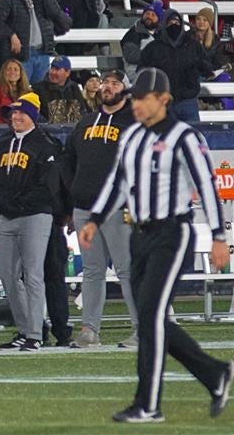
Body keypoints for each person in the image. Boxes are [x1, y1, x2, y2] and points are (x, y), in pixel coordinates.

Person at [82, 67, 234, 424]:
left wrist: (218, 237)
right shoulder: (132, 136)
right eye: (134, 97)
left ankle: (148, 405)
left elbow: (207, 186)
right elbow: (118, 183)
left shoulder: (184, 136)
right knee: (153, 318)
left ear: (163, 100)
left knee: (150, 315)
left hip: (172, 233)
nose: (136, 104)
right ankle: (215, 374)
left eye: (143, 98)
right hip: (140, 234)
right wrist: (94, 219)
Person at [0, 92, 62, 352]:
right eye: (12, 113)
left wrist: (18, 203)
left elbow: (48, 186)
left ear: (32, 115)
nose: (15, 117)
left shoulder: (46, 144)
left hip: (35, 216)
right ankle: (25, 329)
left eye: (20, 112)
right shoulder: (3, 144)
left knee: (33, 275)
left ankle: (36, 334)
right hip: (8, 217)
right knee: (8, 276)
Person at [63, 69, 139, 349]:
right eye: (105, 83)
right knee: (92, 271)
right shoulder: (85, 123)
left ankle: (143, 329)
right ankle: (89, 331)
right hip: (85, 207)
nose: (107, 87)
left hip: (119, 207)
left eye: (115, 83)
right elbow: (67, 160)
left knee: (127, 269)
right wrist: (74, 191)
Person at [0, 0, 72, 84]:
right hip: (22, 55)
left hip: (43, 53)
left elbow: (57, 14)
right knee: (21, 92)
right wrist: (11, 35)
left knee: (39, 94)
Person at [139, 12, 210, 122]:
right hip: (162, 102)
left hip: (188, 100)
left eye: (177, 22)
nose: (174, 25)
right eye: (170, 22)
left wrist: (197, 70)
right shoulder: (153, 47)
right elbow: (142, 72)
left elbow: (207, 66)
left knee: (191, 137)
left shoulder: (193, 45)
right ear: (164, 25)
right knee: (164, 138)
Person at [33, 55, 90, 124]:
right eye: (52, 68)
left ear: (67, 72)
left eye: (57, 69)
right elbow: (35, 114)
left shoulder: (74, 87)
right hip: (47, 131)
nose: (53, 72)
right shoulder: (38, 88)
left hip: (72, 131)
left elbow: (82, 111)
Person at [0, 58, 30, 123]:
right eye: (9, 69)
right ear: (3, 73)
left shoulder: (28, 93)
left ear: (21, 74)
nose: (12, 72)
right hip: (1, 129)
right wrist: (6, 124)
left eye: (16, 70)